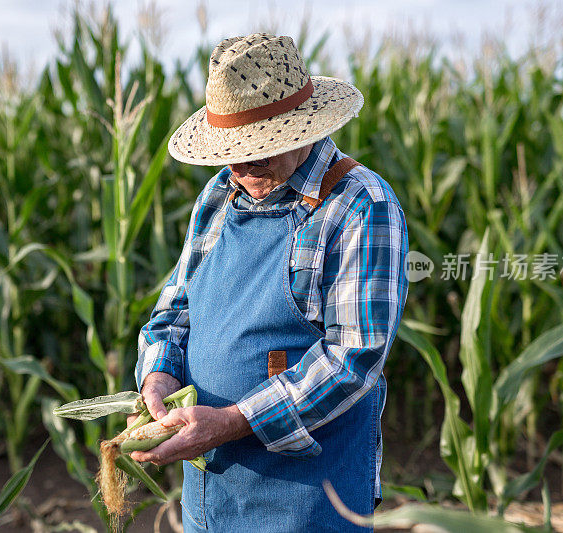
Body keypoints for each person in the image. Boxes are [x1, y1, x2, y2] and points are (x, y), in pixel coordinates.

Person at [129, 32, 409, 532]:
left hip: (306, 501)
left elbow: (354, 355)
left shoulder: (360, 205)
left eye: (259, 149)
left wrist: (234, 421)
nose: (240, 166)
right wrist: (158, 378)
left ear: (303, 128)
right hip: (211, 496)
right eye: (230, 153)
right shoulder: (220, 194)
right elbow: (175, 310)